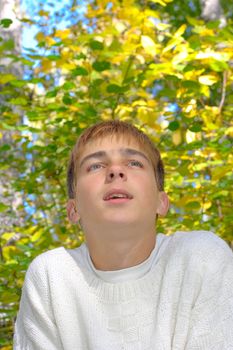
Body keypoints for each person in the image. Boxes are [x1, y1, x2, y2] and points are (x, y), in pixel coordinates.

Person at [14, 120, 233, 350]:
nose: (115, 171)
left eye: (134, 163)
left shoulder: (202, 258)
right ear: (74, 208)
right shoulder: (51, 277)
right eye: (96, 166)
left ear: (161, 202)